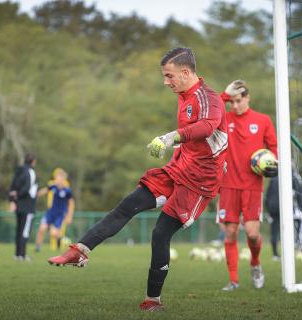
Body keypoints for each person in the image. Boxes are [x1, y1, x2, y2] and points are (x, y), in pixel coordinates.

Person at [48, 47, 227, 311]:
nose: (165, 82)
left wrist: (170, 137)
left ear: (186, 72)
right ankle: (80, 250)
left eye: (169, 76)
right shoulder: (186, 94)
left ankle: (153, 300)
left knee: (160, 233)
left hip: (200, 179)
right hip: (178, 168)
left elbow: (208, 126)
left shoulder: (207, 97)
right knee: (128, 204)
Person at [217, 80, 278, 290]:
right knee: (231, 233)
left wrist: (271, 163)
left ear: (247, 98)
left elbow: (274, 148)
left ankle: (255, 263)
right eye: (231, 101)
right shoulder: (223, 119)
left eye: (238, 100)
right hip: (228, 185)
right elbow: (211, 107)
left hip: (252, 186)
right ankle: (233, 280)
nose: (234, 105)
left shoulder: (263, 120)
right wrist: (225, 94)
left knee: (252, 234)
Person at [265, 170, 302, 261]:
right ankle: (297, 243)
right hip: (286, 207)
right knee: (298, 222)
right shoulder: (292, 177)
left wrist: (268, 209)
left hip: (273, 208)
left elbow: (267, 196)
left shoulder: (273, 179)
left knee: (274, 232)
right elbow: (299, 194)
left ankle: (275, 255)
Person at [35, 168, 75, 252]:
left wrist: (69, 216)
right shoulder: (53, 186)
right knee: (41, 229)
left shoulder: (67, 191)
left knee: (53, 233)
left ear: (63, 179)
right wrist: (37, 194)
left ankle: (65, 242)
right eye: (57, 178)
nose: (58, 180)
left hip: (60, 215)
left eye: (60, 178)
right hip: (50, 213)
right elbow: (45, 190)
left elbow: (71, 204)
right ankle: (38, 248)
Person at [9, 153, 38, 261]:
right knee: (25, 231)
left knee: (19, 229)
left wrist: (12, 200)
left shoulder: (19, 170)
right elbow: (27, 188)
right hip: (27, 205)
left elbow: (12, 187)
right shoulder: (31, 172)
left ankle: (17, 254)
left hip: (18, 205)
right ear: (33, 161)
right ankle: (22, 255)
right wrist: (19, 195)